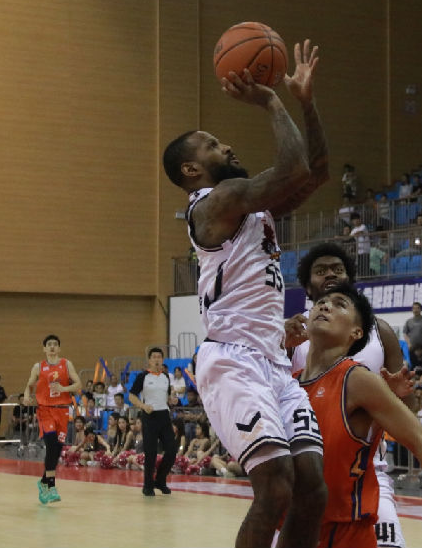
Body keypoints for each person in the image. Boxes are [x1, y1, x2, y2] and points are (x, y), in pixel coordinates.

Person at [162, 39, 328, 547]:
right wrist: (272, 101)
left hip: (273, 360)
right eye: (213, 145)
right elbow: (292, 170)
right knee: (275, 485)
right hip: (232, 361)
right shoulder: (213, 203)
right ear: (191, 169)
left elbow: (314, 172)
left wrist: (306, 104)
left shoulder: (250, 208)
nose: (227, 147)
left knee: (312, 487)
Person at [299, 284, 422, 548]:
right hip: (295, 530)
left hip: (343, 534)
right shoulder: (289, 384)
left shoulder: (357, 379)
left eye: (339, 304)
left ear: (356, 332)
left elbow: (421, 443)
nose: (325, 306)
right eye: (321, 302)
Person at [286, 242, 411, 548]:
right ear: (307, 286)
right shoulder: (292, 333)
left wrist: (398, 396)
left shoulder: (381, 332)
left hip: (365, 471)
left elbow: (407, 406)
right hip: (303, 473)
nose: (330, 274)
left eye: (337, 269)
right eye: (321, 270)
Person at [22, 334, 81, 504]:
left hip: (62, 411)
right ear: (44, 348)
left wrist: (64, 388)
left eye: (55, 344)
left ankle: (43, 482)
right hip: (45, 410)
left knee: (57, 449)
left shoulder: (66, 364)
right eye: (49, 344)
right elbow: (29, 385)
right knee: (51, 443)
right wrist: (26, 396)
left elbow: (78, 385)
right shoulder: (38, 367)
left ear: (59, 348)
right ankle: (51, 486)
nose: (52, 346)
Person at [128, 347, 179, 496]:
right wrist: (143, 406)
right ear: (149, 360)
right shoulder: (143, 376)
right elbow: (131, 396)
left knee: (171, 450)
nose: (157, 359)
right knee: (150, 452)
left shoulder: (166, 377)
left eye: (159, 357)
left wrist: (172, 400)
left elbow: (167, 397)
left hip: (164, 416)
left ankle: (160, 480)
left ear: (162, 360)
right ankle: (148, 485)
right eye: (154, 357)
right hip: (149, 416)